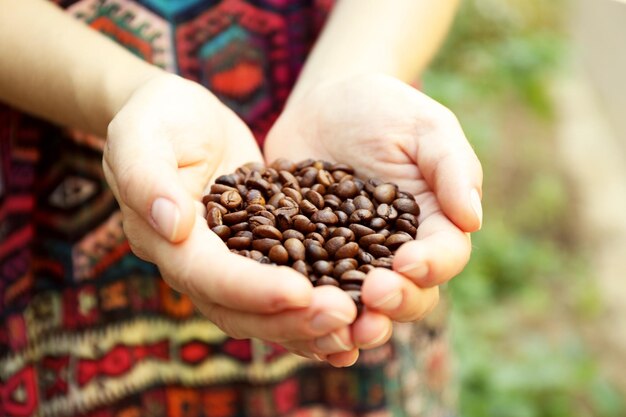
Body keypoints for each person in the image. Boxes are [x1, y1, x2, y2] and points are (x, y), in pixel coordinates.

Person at [0, 0, 482, 416]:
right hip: (53, 148)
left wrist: (357, 70)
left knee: (358, 308)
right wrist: (127, 94)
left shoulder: (346, 208)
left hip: (342, 78)